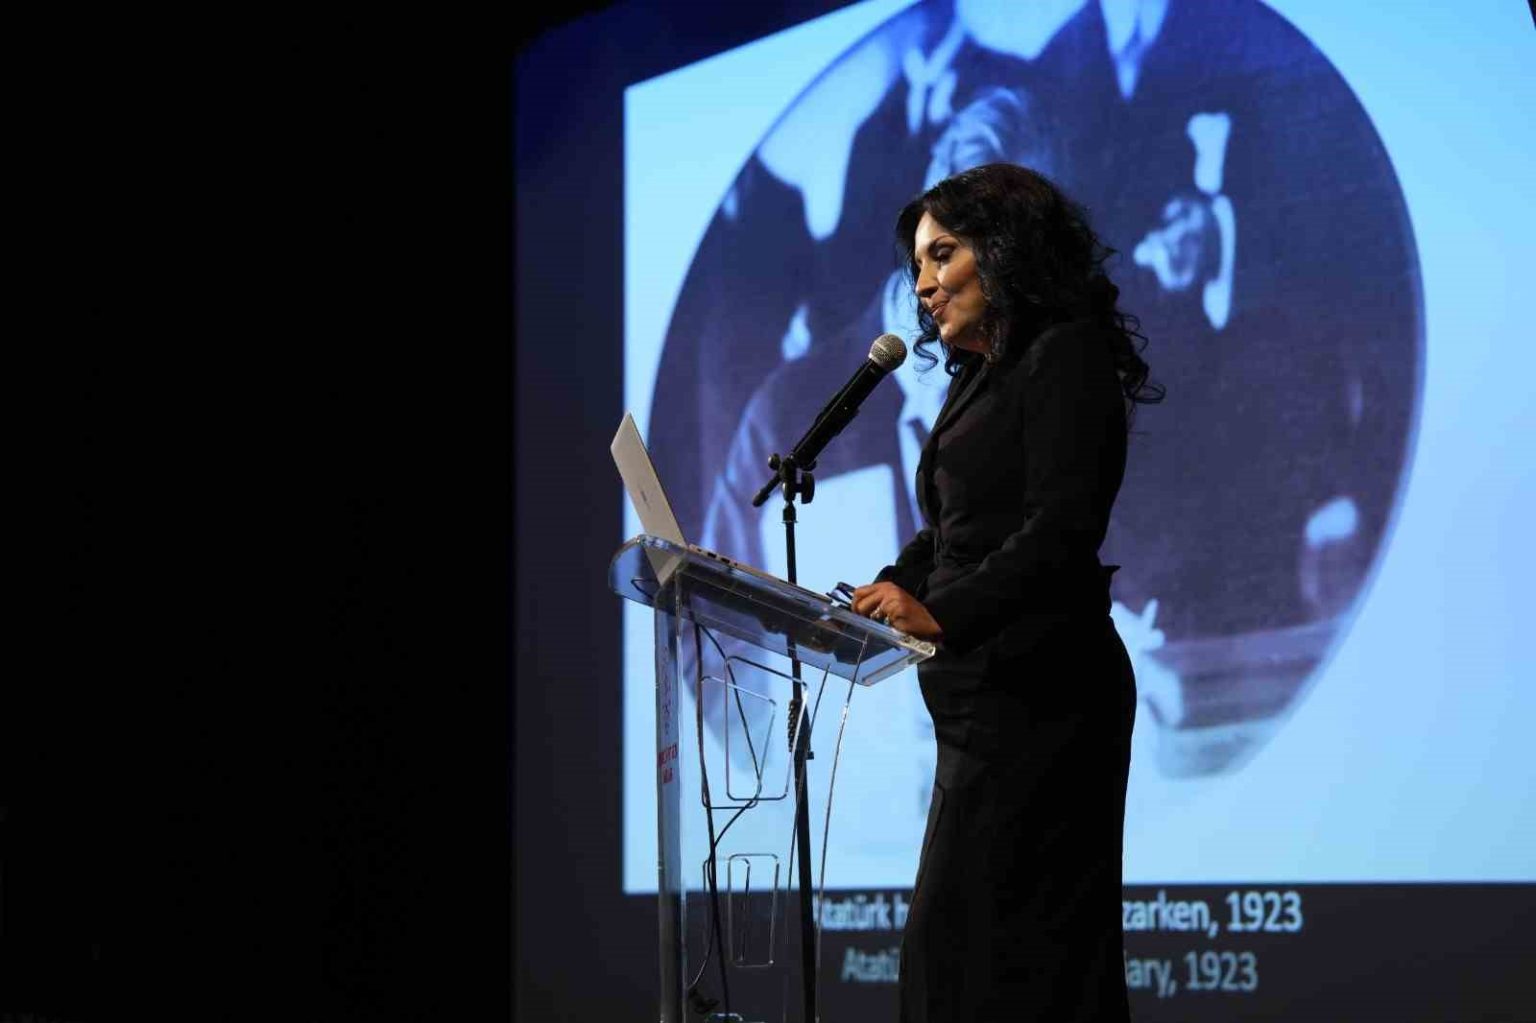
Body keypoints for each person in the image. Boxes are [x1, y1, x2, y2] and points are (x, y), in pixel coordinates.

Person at [850, 163, 1162, 1021]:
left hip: (1046, 696)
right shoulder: (979, 375)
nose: (923, 283)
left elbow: (1060, 529)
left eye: (941, 254)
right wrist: (895, 583)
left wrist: (940, 612)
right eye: (917, 264)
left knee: (1017, 970)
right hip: (981, 703)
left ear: (1004, 249)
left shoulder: (1065, 353)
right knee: (957, 963)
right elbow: (954, 526)